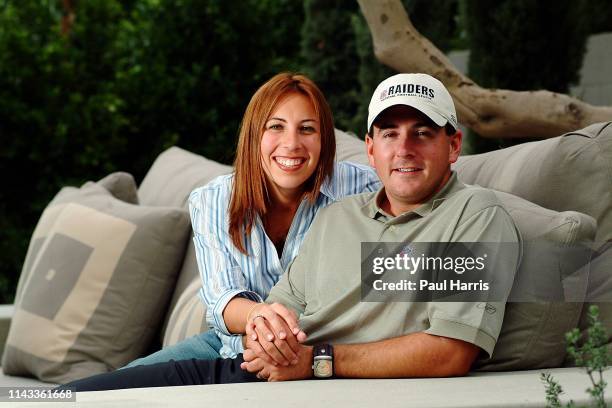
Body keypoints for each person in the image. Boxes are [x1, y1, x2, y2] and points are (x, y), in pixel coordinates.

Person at [61, 73, 520, 390]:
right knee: (87, 393)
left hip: (306, 378)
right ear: (370, 148)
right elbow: (278, 306)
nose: (404, 149)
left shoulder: (475, 215)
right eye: (389, 133)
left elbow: (451, 352)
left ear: (454, 144)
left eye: (423, 132)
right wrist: (269, 339)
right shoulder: (341, 214)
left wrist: (319, 362)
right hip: (252, 362)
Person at [123, 72, 381, 368]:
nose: (292, 143)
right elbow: (222, 298)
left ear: (324, 139)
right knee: (101, 391)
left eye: (307, 129)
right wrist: (260, 318)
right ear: (254, 135)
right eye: (276, 127)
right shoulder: (213, 199)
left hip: (323, 354)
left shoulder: (363, 189)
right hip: (232, 348)